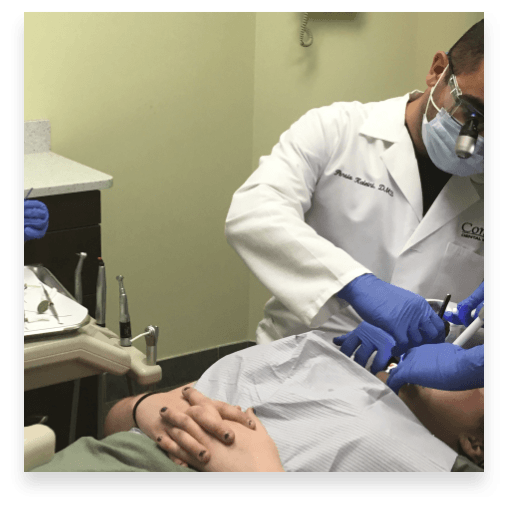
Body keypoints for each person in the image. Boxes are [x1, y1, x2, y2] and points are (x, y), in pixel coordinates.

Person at [224, 20, 484, 356]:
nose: (478, 140)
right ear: (437, 71)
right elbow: (255, 211)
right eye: (474, 113)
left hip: (417, 385)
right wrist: (356, 285)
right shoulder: (336, 130)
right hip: (298, 358)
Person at [30, 331, 484, 472]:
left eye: (482, 381)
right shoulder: (320, 352)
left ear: (476, 445)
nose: (462, 360)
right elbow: (112, 423)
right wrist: (144, 407)